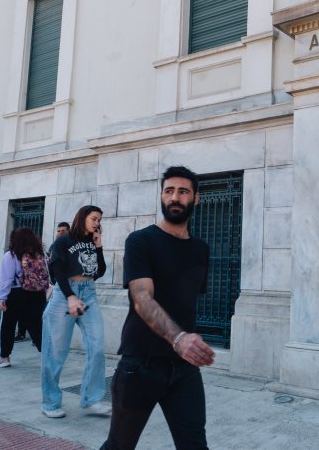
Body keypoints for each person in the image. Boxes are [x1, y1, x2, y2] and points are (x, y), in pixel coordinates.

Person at [101, 166, 215, 450]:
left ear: (196, 199)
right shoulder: (141, 241)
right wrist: (179, 339)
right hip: (140, 365)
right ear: (162, 197)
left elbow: (184, 302)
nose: (175, 197)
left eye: (183, 191)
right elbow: (142, 298)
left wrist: (188, 344)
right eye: (169, 191)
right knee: (119, 446)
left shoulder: (201, 249)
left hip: (184, 369)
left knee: (195, 446)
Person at [41, 205, 110, 418]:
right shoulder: (64, 240)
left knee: (97, 346)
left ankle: (92, 400)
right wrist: (70, 296)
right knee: (56, 351)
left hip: (88, 293)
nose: (97, 222)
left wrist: (98, 248)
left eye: (99, 219)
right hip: (65, 295)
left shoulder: (92, 241)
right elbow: (57, 270)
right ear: (82, 218)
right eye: (94, 218)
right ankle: (50, 403)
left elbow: (100, 271)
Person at [0, 227, 47, 367]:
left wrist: (2, 298)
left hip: (16, 294)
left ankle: (4, 357)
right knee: (36, 327)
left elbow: (7, 279)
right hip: (36, 294)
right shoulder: (39, 254)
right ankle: (48, 356)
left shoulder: (11, 255)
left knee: (8, 325)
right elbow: (46, 275)